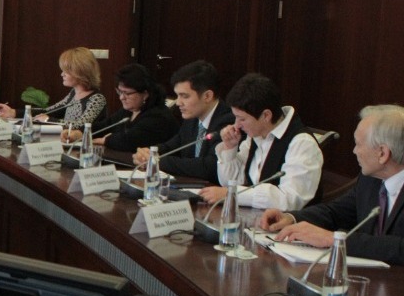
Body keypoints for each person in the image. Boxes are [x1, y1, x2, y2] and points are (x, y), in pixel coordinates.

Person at [261, 105, 404, 264]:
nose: (354, 151)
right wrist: (292, 217)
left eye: (358, 144)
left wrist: (334, 239)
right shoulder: (371, 179)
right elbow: (336, 212)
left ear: (382, 153)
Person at [197, 73, 322, 210]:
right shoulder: (255, 135)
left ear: (266, 115)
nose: (236, 125)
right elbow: (231, 183)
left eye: (242, 119)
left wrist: (232, 194)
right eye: (236, 117)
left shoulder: (302, 143)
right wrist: (230, 148)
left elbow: (290, 199)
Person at [133, 60, 233, 182]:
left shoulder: (228, 121)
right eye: (177, 96)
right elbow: (171, 146)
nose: (178, 103)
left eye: (184, 96)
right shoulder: (192, 119)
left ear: (207, 96)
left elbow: (209, 167)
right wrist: (148, 153)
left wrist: (156, 161)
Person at [73, 63, 179, 152]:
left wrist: (106, 140)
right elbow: (106, 125)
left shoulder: (159, 116)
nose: (121, 97)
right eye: (119, 92)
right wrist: (80, 133)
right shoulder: (129, 110)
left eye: (127, 93)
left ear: (145, 94)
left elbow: (131, 140)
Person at [0, 47, 106, 125]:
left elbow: (81, 125)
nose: (62, 74)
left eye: (66, 71)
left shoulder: (97, 99)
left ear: (80, 72)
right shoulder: (74, 93)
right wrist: (13, 112)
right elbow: (48, 111)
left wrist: (48, 120)